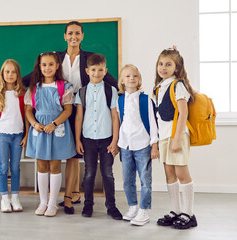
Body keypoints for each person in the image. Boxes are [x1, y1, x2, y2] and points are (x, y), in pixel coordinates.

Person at [23, 21, 119, 214]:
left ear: (82, 36)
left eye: (77, 33)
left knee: (74, 155)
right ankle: (55, 198)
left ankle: (69, 196)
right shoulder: (55, 57)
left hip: (80, 109)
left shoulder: (90, 58)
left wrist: (125, 88)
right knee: (58, 156)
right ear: (64, 36)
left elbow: (109, 80)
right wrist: (14, 84)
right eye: (70, 33)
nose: (73, 36)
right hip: (58, 108)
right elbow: (32, 76)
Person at [25, 52, 77, 217]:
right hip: (39, 129)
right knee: (41, 166)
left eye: (50, 64)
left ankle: (53, 203)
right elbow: (28, 110)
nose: (47, 68)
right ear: (39, 67)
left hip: (57, 129)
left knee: (55, 166)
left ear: (57, 66)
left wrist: (54, 124)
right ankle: (43, 201)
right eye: (44, 65)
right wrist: (34, 124)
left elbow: (68, 110)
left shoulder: (64, 87)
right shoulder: (34, 88)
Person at [154, 46, 198, 229]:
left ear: (177, 68)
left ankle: (189, 213)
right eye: (161, 64)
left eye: (168, 64)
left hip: (176, 135)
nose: (163, 67)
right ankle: (176, 211)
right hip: (164, 136)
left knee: (181, 173)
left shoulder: (178, 85)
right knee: (169, 173)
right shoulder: (159, 87)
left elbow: (183, 113)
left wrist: (177, 139)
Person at [74, 53, 122, 219]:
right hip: (88, 139)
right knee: (89, 173)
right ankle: (88, 205)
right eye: (93, 70)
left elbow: (115, 116)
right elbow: (79, 117)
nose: (96, 73)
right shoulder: (81, 92)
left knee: (108, 173)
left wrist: (115, 140)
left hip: (107, 138)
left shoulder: (111, 90)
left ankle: (112, 206)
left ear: (105, 70)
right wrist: (77, 139)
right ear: (87, 70)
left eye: (100, 70)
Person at [116, 64, 159, 226]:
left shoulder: (145, 99)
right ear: (122, 80)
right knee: (127, 180)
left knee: (145, 180)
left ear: (139, 79)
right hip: (125, 145)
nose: (131, 79)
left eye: (134, 76)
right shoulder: (120, 99)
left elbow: (153, 123)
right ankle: (133, 206)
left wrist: (154, 144)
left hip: (143, 145)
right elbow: (120, 122)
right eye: (127, 76)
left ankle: (143, 210)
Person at [0, 59, 28, 213]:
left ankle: (15, 198)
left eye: (13, 72)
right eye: (7, 71)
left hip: (18, 136)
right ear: (2, 74)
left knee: (16, 168)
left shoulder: (23, 94)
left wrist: (26, 136)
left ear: (18, 74)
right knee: (3, 167)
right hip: (2, 136)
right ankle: (5, 198)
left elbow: (27, 117)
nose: (10, 74)